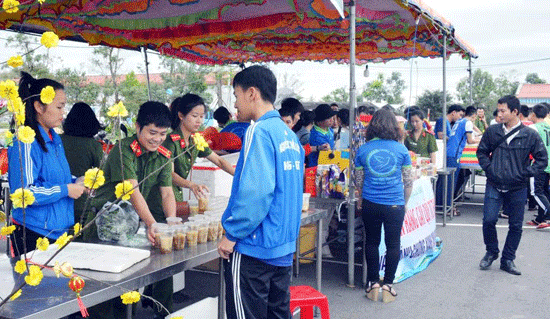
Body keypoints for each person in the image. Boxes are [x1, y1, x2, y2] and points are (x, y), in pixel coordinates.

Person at [217, 65, 304, 319]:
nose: (235, 104)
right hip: (282, 247)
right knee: (277, 314)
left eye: (236, 95)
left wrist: (232, 233)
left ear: (252, 93)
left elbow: (257, 193)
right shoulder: (289, 136)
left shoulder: (259, 131)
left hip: (255, 247)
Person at [85, 101, 177, 318]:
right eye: (152, 132)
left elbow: (167, 192)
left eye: (163, 134)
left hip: (129, 225)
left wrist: (171, 223)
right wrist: (153, 224)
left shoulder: (163, 154)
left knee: (128, 285)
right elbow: (132, 190)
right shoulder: (123, 149)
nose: (157, 139)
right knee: (103, 288)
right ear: (137, 127)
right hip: (103, 223)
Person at [8, 72, 85, 256]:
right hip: (34, 234)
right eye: (59, 107)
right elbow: (24, 192)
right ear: (39, 107)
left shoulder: (54, 138)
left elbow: (51, 178)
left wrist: (76, 181)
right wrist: (66, 189)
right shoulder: (25, 141)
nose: (62, 113)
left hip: (58, 232)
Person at [477, 95, 547, 276]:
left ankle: (508, 259)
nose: (499, 114)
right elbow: (482, 152)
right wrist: (490, 169)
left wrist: (524, 173)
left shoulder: (530, 134)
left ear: (514, 112)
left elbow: (542, 159)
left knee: (516, 225)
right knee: (489, 220)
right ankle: (491, 251)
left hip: (518, 187)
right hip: (494, 184)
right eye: (498, 110)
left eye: (503, 111)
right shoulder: (493, 131)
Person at [355, 108, 413, 302]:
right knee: (393, 244)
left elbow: (359, 181)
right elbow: (408, 181)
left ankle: (372, 283)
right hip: (394, 204)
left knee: (371, 242)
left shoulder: (363, 149)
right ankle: (388, 285)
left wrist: (362, 199)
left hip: (371, 203)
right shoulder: (401, 149)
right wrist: (404, 202)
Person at [163, 93, 235, 202]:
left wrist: (239, 176)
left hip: (177, 196)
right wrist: (191, 185)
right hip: (163, 196)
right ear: (181, 116)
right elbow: (170, 174)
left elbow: (219, 161)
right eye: (194, 116)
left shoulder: (195, 141)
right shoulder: (170, 142)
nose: (199, 121)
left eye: (201, 116)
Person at [60, 102, 104, 225]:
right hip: (82, 203)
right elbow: (101, 173)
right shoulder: (94, 145)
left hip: (59, 199)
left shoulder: (58, 140)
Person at [526, 104, 550, 229]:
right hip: (548, 163)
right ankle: (540, 218)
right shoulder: (548, 127)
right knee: (544, 191)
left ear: (533, 115)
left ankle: (549, 215)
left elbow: (526, 146)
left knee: (536, 192)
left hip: (539, 163)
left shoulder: (533, 128)